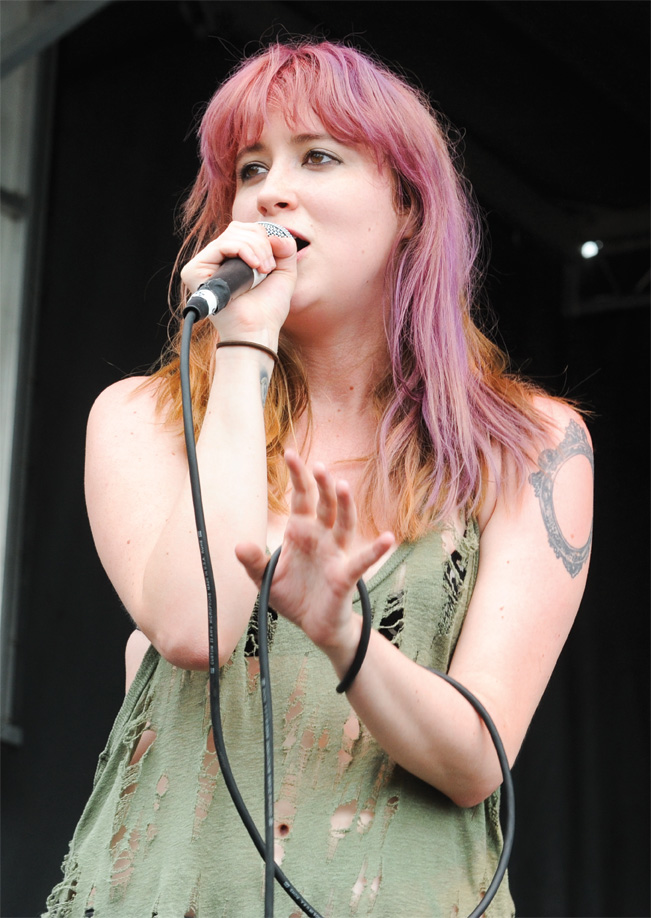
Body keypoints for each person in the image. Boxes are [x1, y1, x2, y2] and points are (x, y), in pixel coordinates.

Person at [44, 40, 593, 918]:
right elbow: (195, 624)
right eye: (250, 167)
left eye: (319, 157)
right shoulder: (143, 418)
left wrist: (346, 638)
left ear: (409, 204)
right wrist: (244, 350)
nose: (270, 191)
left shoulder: (529, 442)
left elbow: (476, 758)